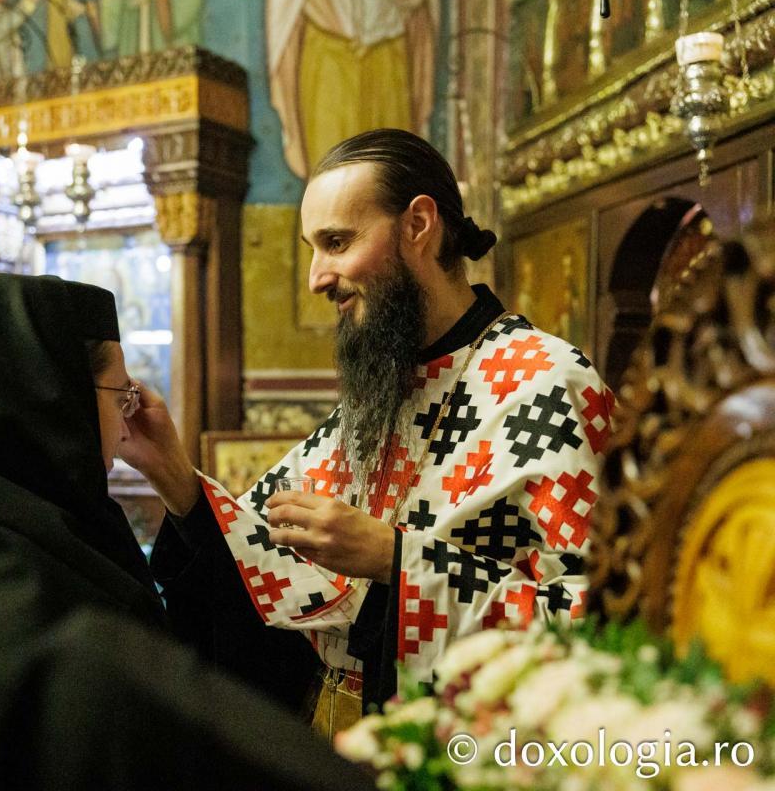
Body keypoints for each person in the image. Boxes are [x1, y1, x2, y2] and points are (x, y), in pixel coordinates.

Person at [124, 128, 614, 731]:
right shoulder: (381, 389)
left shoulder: (547, 386)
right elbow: (258, 558)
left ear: (418, 226)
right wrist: (172, 473)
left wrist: (395, 559)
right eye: (313, 249)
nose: (316, 278)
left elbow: (595, 626)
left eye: (337, 242)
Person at [0, 273, 372, 790]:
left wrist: (174, 476)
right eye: (121, 396)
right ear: (53, 398)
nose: (124, 427)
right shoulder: (8, 576)